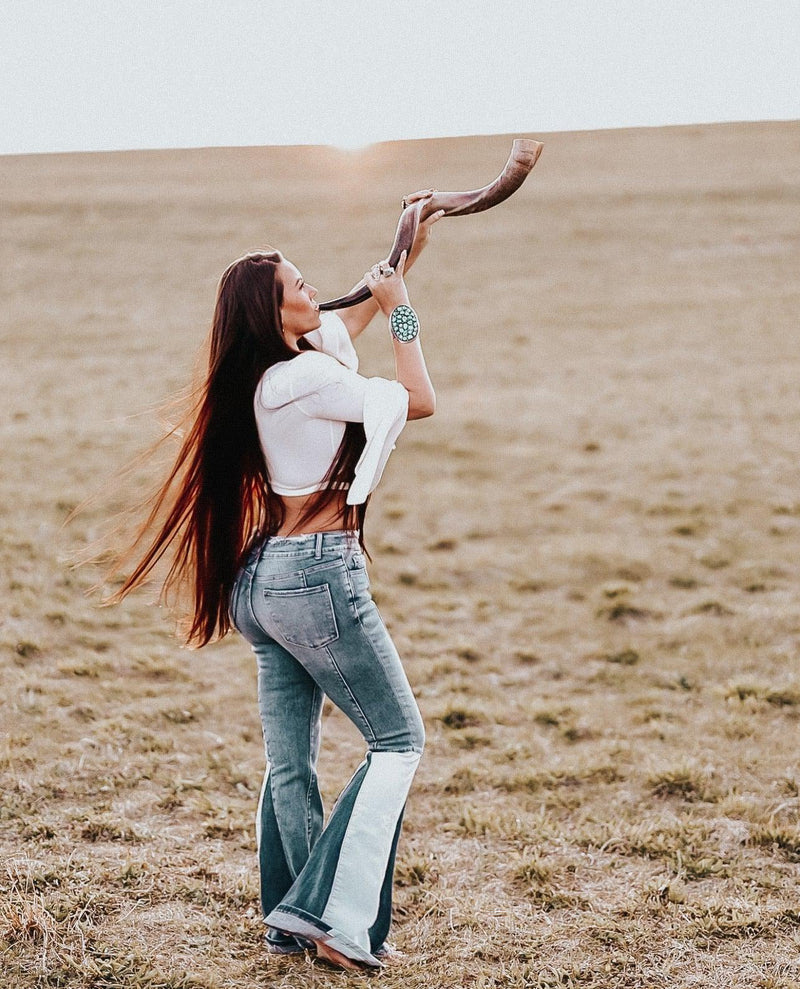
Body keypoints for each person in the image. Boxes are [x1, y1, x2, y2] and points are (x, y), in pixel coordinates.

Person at [108, 190, 445, 970]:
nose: (313, 289)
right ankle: (334, 919)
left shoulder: (277, 371)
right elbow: (417, 399)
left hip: (264, 579)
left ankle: (291, 918)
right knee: (398, 742)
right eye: (299, 285)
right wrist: (406, 312)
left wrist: (408, 249)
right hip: (314, 579)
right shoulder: (300, 381)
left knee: (290, 762)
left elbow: (342, 321)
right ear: (274, 312)